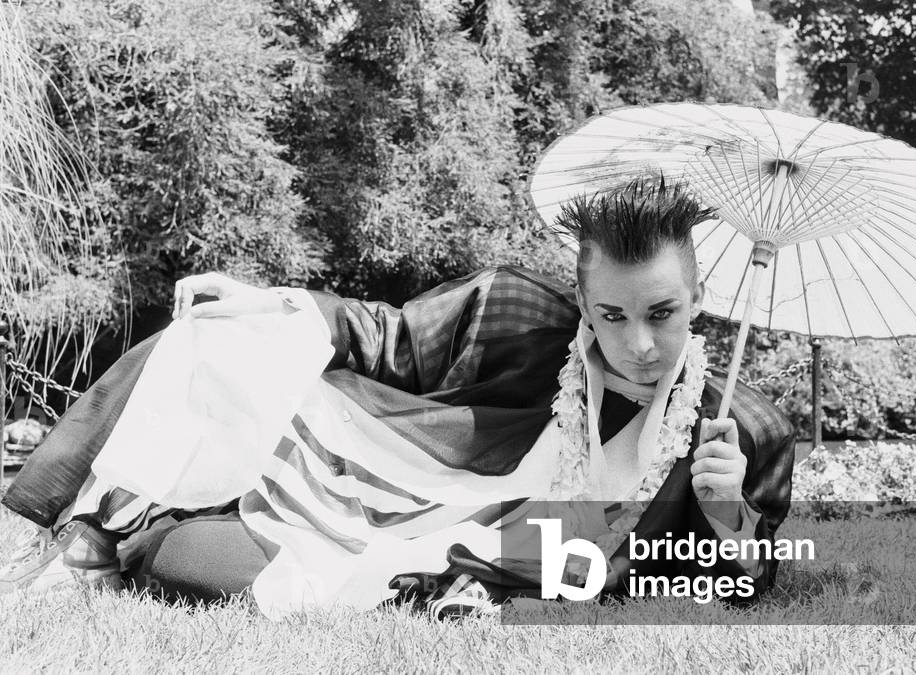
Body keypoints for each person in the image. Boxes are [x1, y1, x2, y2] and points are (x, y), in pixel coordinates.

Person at [0, 180, 794, 616]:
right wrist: (266, 301)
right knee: (220, 334)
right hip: (373, 471)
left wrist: (728, 516)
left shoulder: (740, 425)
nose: (639, 345)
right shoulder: (520, 317)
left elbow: (721, 582)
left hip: (443, 556)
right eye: (611, 316)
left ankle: (146, 529)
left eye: (661, 313)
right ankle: (97, 523)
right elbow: (381, 335)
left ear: (699, 294)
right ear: (582, 303)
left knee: (193, 564)